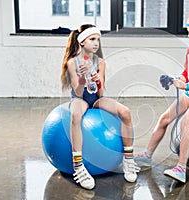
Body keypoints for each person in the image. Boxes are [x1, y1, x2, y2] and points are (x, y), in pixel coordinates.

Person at [134, 12, 189, 183]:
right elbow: (186, 73)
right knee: (164, 118)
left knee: (185, 122)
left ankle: (181, 168)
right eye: (188, 32)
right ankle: (147, 155)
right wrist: (176, 80)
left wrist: (187, 86)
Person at [61, 24, 140, 190]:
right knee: (76, 116)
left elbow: (101, 91)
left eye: (98, 39)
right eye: (92, 39)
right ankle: (79, 166)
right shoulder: (72, 62)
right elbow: (78, 91)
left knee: (125, 112)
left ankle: (129, 159)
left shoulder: (101, 62)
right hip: (79, 99)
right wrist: (83, 77)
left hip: (96, 98)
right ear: (82, 42)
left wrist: (97, 79)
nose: (96, 43)